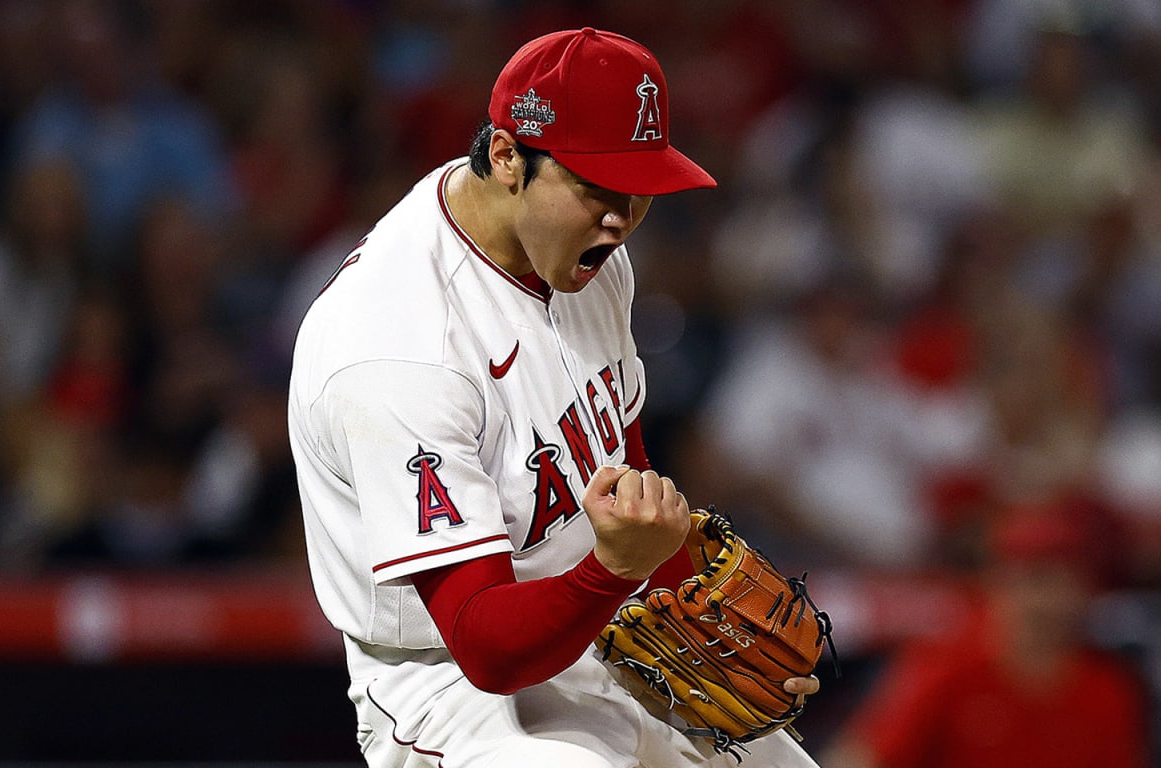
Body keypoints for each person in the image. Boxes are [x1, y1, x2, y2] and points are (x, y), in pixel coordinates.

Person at [286, 27, 820, 768]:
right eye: (597, 187)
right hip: (449, 685)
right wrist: (618, 571)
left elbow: (622, 490)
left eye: (641, 190)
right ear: (506, 156)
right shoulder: (401, 347)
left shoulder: (591, 261)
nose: (621, 217)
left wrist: (691, 606)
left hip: (596, 626)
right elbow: (486, 646)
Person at [819, 509, 1147, 768]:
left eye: (1070, 582)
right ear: (998, 581)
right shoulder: (945, 666)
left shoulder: (1108, 693)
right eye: (1037, 579)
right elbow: (860, 758)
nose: (1053, 600)